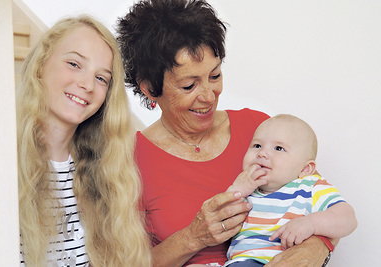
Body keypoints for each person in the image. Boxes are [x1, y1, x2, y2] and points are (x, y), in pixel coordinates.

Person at [117, 0, 337, 266]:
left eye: (215, 75)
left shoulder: (261, 132)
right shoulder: (128, 162)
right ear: (150, 88)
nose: (209, 96)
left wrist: (315, 248)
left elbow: (321, 202)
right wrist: (193, 238)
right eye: (189, 85)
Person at [17, 15, 151, 266]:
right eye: (74, 64)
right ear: (41, 64)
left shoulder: (105, 173)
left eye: (102, 78)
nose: (87, 84)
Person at [222, 114, 357, 266]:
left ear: (306, 169)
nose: (262, 153)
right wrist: (236, 190)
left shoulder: (309, 187)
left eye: (279, 148)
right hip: (239, 262)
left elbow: (348, 218)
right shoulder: (248, 190)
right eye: (257, 146)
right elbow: (221, 225)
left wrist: (311, 223)